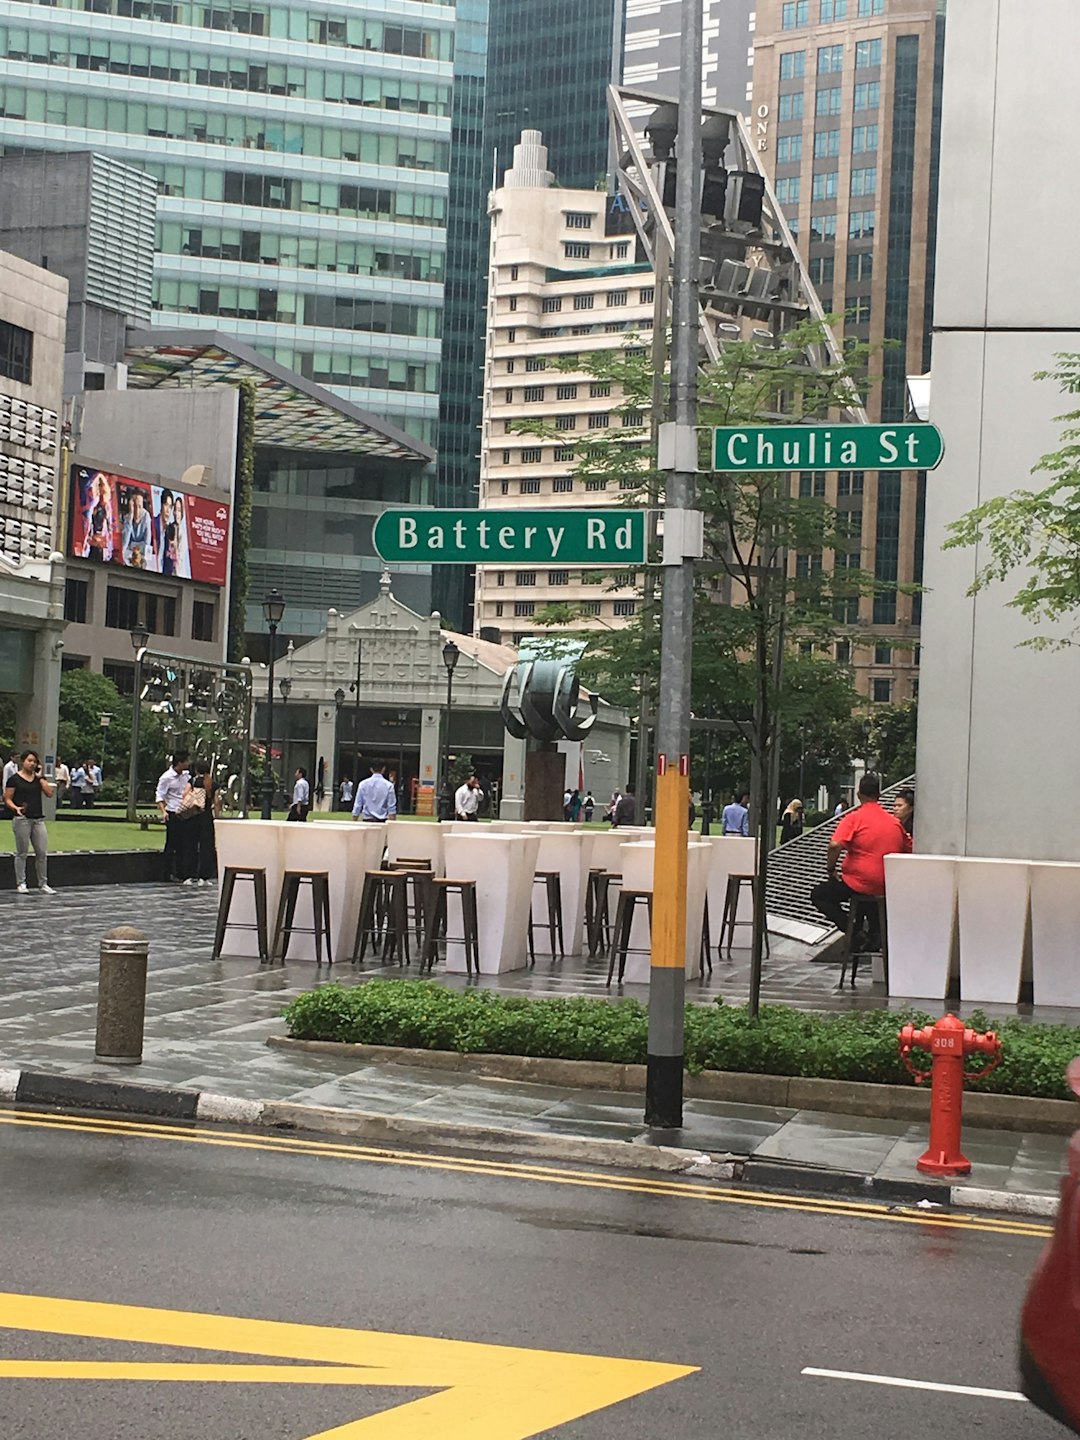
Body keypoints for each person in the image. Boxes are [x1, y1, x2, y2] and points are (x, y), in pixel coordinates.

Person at [810, 772, 910, 942]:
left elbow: (834, 845)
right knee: (868, 902)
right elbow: (909, 847)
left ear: (858, 795)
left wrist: (830, 868)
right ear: (879, 795)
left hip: (858, 882)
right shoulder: (894, 823)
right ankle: (872, 936)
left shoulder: (855, 818)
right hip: (884, 884)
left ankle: (853, 930)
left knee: (820, 894)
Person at [5, 750, 55, 894]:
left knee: (41, 852)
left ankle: (43, 883)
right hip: (22, 819)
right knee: (22, 852)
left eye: (34, 761)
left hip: (38, 819)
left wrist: (41, 777)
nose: (32, 764)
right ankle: (21, 882)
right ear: (23, 762)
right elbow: (7, 797)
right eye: (29, 761)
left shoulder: (38, 779)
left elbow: (49, 793)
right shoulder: (14, 779)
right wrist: (15, 808)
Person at [178, 760, 220, 886]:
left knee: (190, 846)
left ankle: (189, 876)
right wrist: (217, 817)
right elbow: (217, 802)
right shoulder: (213, 784)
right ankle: (204, 877)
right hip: (206, 817)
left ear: (196, 770)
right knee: (206, 847)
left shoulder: (192, 781)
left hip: (192, 816)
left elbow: (185, 795)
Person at [156, 750, 191, 881]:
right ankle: (167, 872)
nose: (188, 763)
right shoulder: (166, 777)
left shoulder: (186, 776)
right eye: (186, 761)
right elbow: (160, 795)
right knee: (172, 843)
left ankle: (181, 872)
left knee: (184, 844)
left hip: (185, 811)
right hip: (173, 811)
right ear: (179, 763)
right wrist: (163, 811)